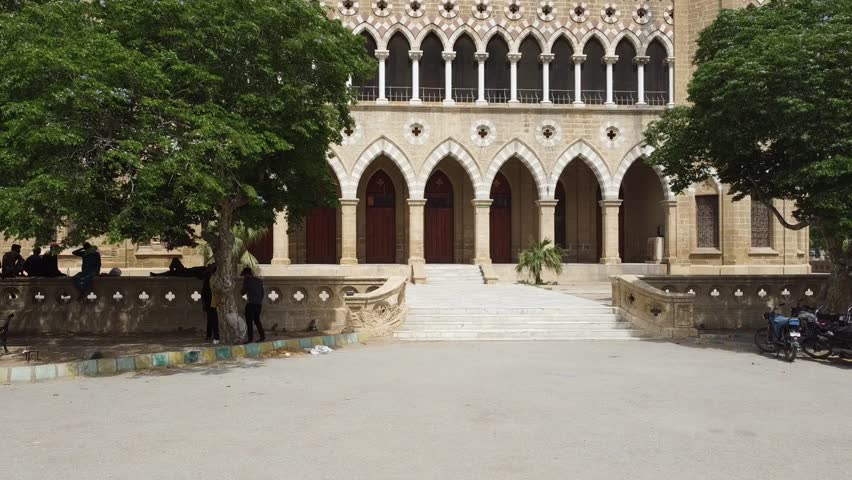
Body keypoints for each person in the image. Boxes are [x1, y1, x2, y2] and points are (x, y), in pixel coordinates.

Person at [240, 267, 266, 343]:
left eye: (244, 275)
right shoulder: (259, 281)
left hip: (251, 304)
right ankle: (262, 336)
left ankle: (250, 339)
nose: (244, 277)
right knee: (257, 320)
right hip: (259, 304)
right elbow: (262, 294)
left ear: (246, 275)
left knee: (249, 322)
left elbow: (243, 292)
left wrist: (244, 284)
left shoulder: (247, 281)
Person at [200, 263, 220, 344]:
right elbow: (204, 292)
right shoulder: (210, 279)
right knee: (213, 320)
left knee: (212, 320)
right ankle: (214, 337)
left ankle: (212, 336)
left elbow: (204, 292)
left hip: (213, 303)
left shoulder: (211, 279)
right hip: (212, 303)